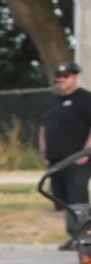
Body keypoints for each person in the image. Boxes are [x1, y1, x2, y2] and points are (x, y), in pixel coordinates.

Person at [41, 61, 91, 242]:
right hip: (55, 158)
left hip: (77, 158)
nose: (61, 79)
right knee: (61, 199)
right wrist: (44, 150)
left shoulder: (85, 99)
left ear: (74, 77)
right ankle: (72, 234)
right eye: (59, 76)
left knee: (77, 197)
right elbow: (44, 127)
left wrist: (87, 150)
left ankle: (84, 236)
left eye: (65, 76)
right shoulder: (52, 101)